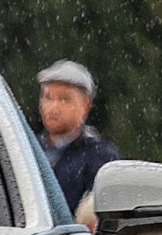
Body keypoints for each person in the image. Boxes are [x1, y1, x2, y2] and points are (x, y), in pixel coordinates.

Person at [35, 59, 120, 214]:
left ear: (85, 105)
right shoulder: (28, 148)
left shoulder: (99, 156)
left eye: (64, 99)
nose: (54, 107)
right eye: (48, 97)